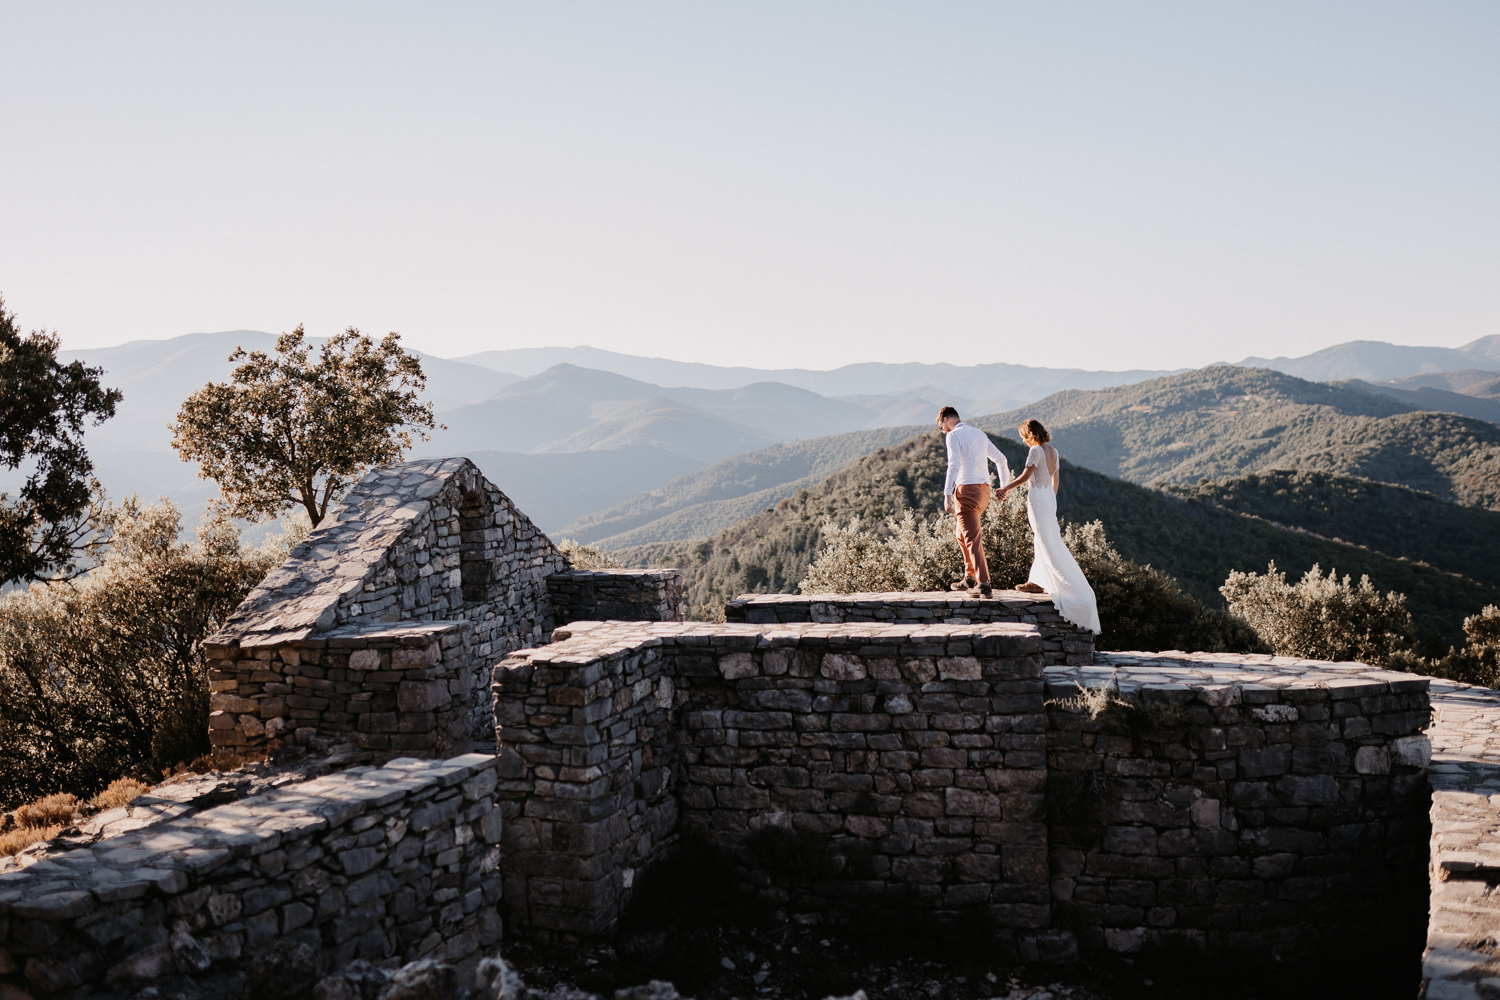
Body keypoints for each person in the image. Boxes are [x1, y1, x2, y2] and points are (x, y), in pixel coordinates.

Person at [997, 418, 1101, 633]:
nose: (1024, 441)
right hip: (1048, 498)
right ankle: (1035, 581)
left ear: (1030, 434)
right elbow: (1055, 480)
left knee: (1045, 541)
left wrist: (1005, 488)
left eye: (1024, 437)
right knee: (1043, 538)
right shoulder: (1053, 451)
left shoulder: (1036, 450)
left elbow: (1026, 476)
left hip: (1036, 498)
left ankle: (1067, 587)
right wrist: (1050, 499)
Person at [937, 406, 1011, 597]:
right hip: (984, 492)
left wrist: (947, 496)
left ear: (945, 419)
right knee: (960, 534)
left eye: (940, 426)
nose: (942, 430)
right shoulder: (979, 433)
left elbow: (953, 465)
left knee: (972, 539)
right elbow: (1001, 459)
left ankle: (984, 583)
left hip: (966, 491)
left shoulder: (953, 435)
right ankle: (969, 577)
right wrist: (1004, 487)